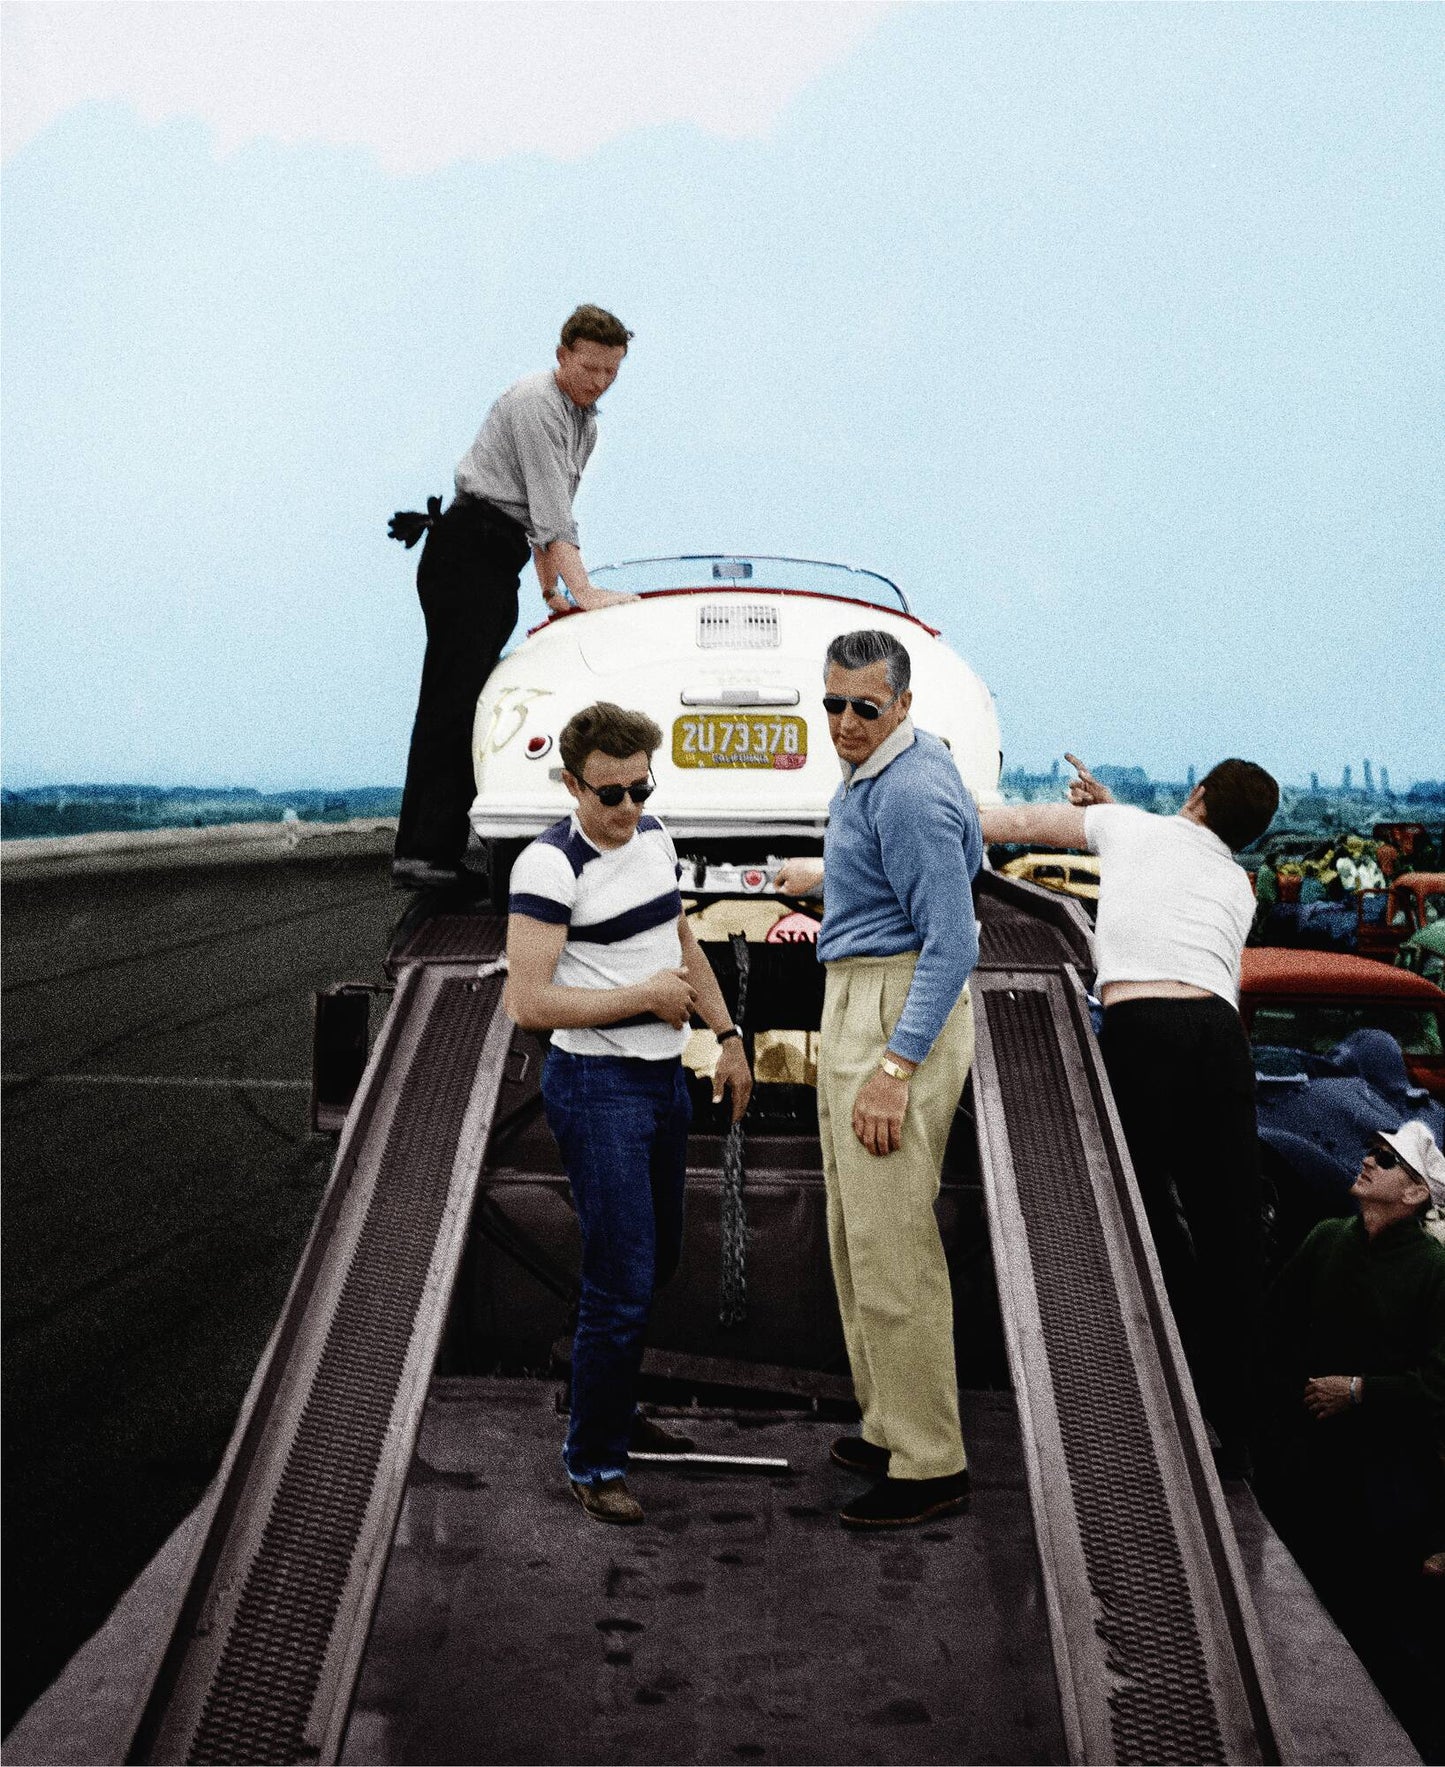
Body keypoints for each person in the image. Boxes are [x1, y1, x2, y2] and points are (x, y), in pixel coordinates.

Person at [979, 753, 1279, 1476]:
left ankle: (1170, 1371)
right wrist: (1117, 815)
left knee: (1139, 1211)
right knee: (1230, 1229)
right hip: (1219, 1036)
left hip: (1145, 1031)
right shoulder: (1236, 884)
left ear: (1197, 791)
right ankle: (1237, 1429)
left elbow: (1015, 823)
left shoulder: (1129, 829)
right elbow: (1168, 862)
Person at [504, 702, 752, 1525]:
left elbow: (681, 944)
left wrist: (727, 1033)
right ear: (571, 784)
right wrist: (641, 999)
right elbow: (528, 1002)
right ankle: (595, 1460)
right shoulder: (549, 866)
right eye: (608, 793)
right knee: (622, 1278)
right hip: (598, 1089)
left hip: (661, 1085)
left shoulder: (652, 838)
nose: (626, 807)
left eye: (641, 787)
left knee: (655, 1261)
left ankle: (603, 1398)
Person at [774, 630, 981, 1530]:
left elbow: (956, 938)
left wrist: (895, 1066)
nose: (845, 721)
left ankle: (930, 1461)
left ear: (902, 703)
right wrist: (828, 877)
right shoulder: (884, 772)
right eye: (832, 703)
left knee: (893, 1247)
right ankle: (889, 1423)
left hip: (894, 1006)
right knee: (858, 1236)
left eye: (865, 706)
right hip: (862, 989)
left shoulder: (909, 790)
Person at [389, 305, 638, 893]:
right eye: (590, 368)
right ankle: (423, 855)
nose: (599, 381)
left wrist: (551, 589)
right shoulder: (535, 403)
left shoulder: (586, 423)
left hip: (498, 562)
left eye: (611, 372)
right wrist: (589, 595)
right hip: (466, 552)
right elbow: (553, 518)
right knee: (451, 705)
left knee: (472, 703)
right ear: (562, 357)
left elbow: (547, 519)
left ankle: (439, 848)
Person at [1258, 1123, 1445, 1755]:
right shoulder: (1325, 1240)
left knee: (1371, 1636)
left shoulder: (1435, 1271)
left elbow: (1439, 1387)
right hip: (1304, 1469)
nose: (1368, 1159)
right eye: (1373, 1151)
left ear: (1417, 1195)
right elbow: (1272, 1334)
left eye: (1388, 1160)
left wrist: (1360, 1391)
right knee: (1279, 1619)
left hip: (1383, 1492)